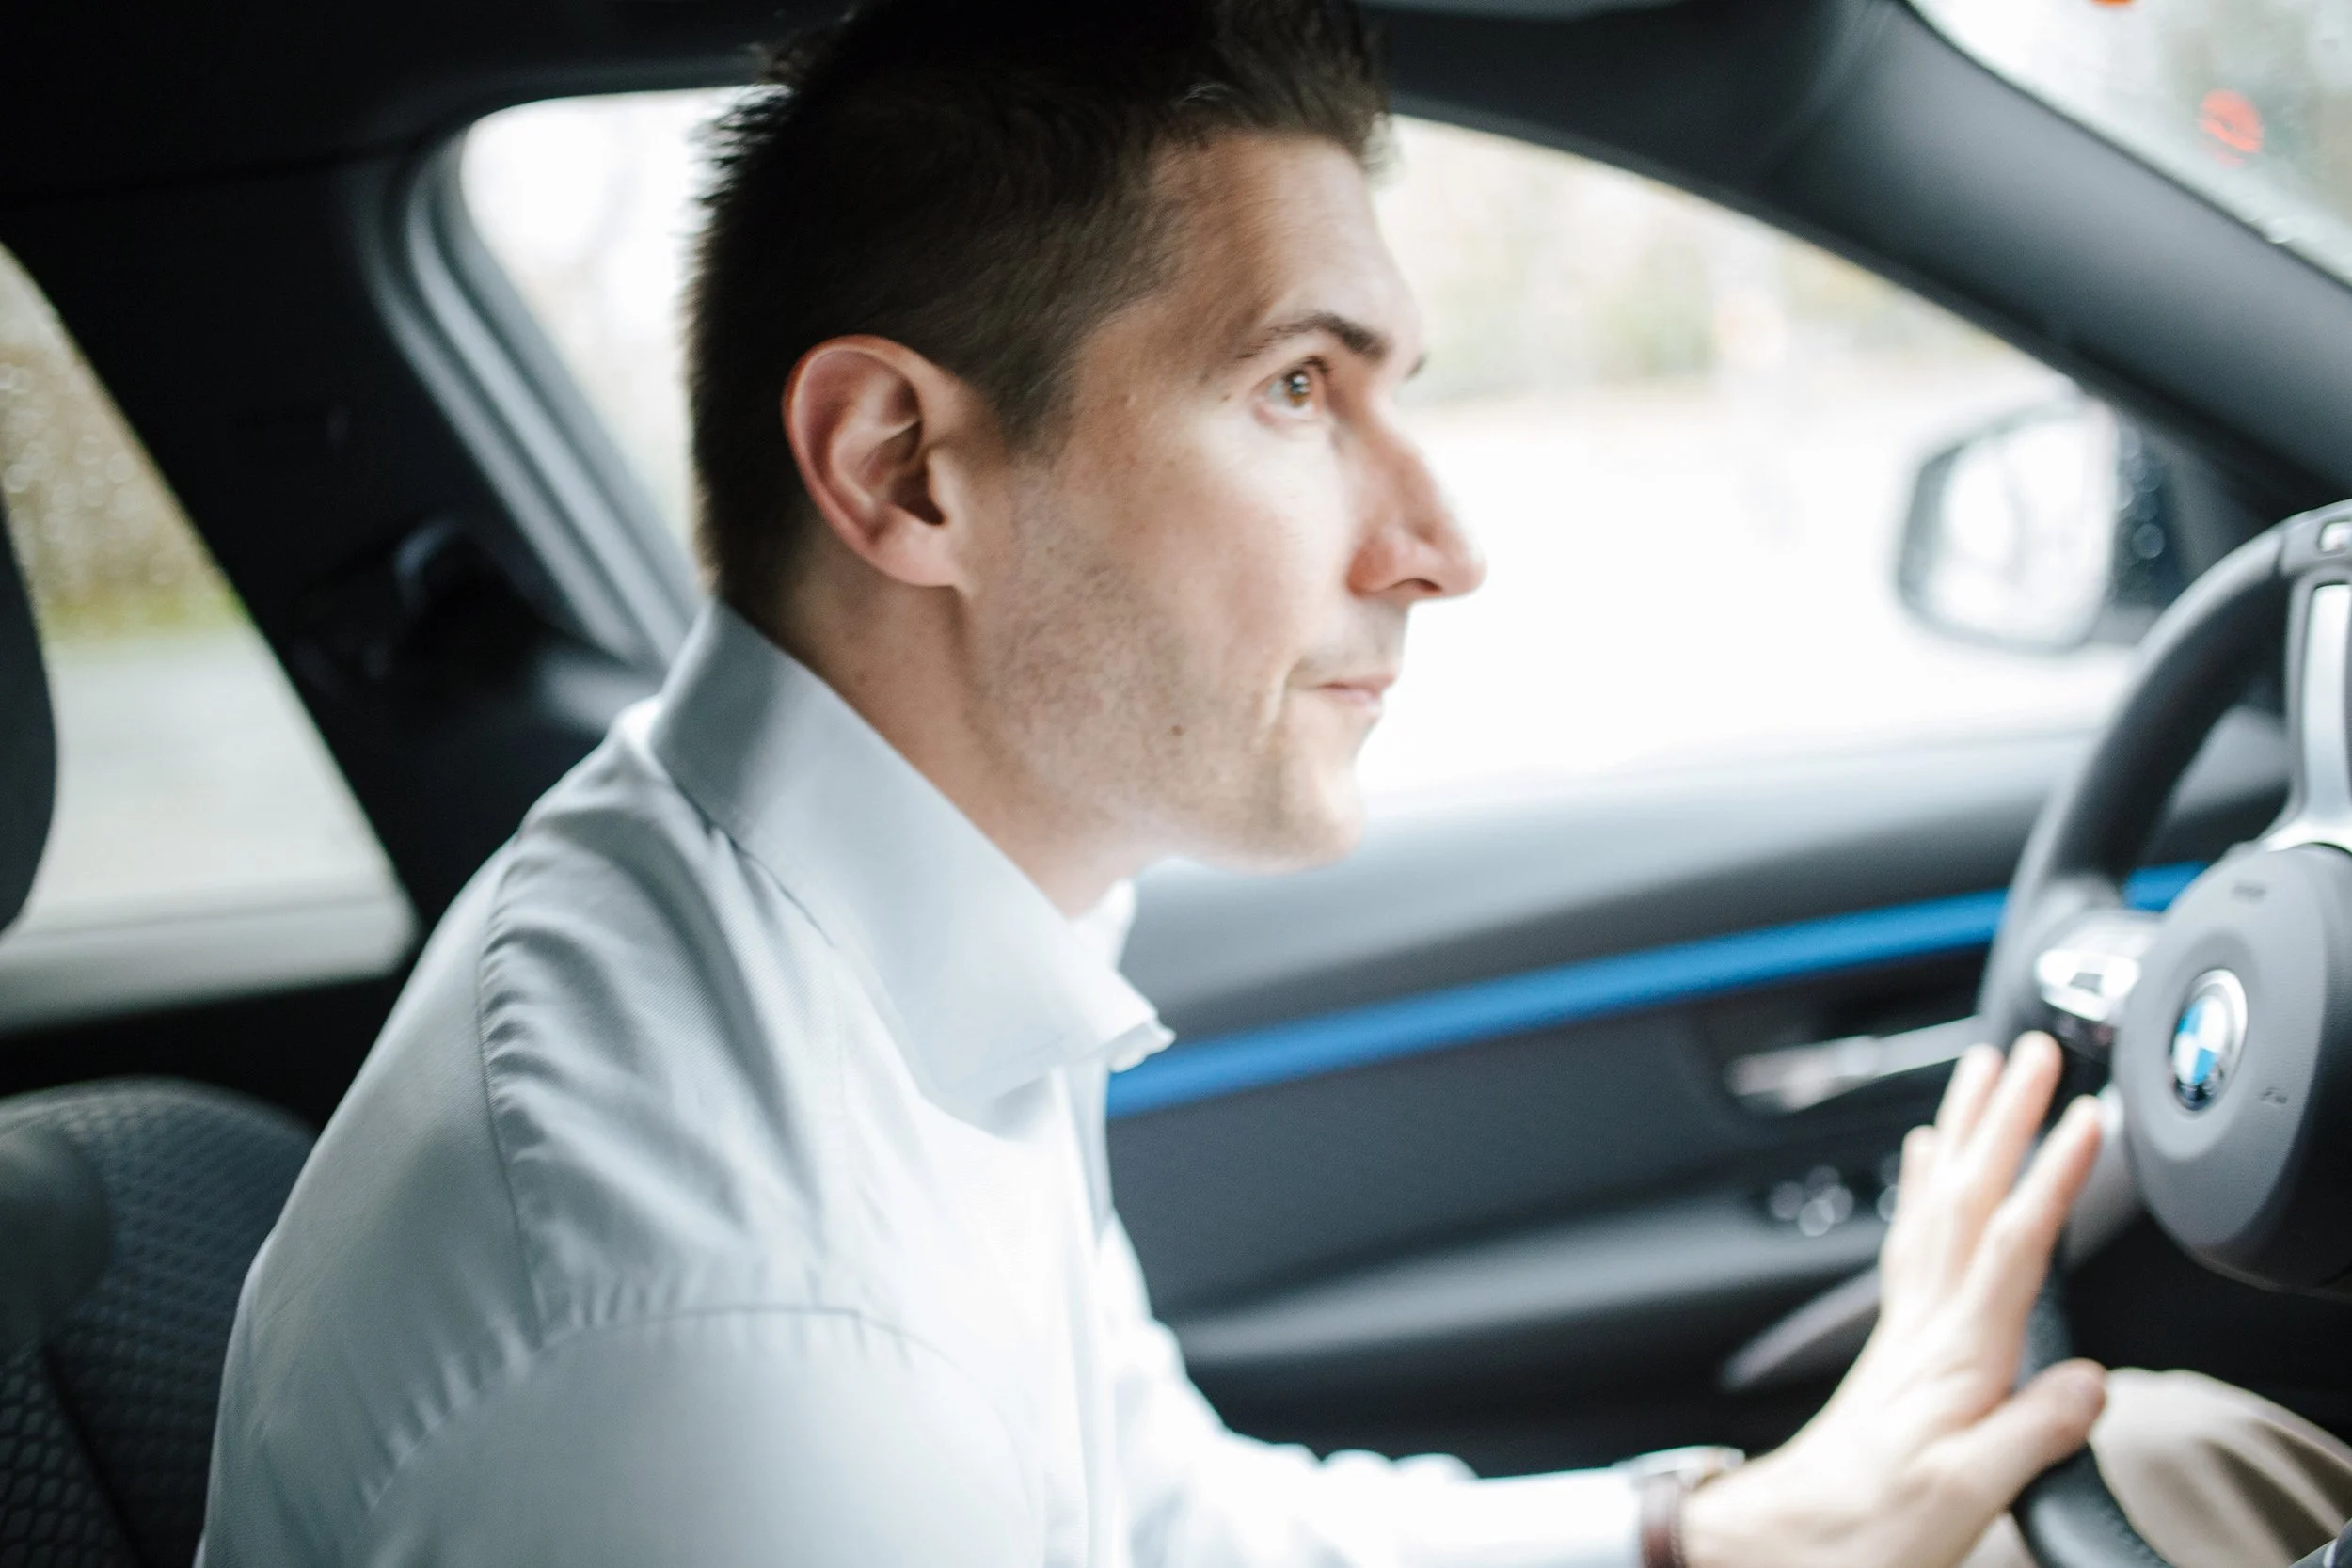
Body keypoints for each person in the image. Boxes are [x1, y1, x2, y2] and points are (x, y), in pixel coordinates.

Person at [198, 2, 2352, 1564]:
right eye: (1295, 386)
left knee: (2158, 1458)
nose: (1437, 542)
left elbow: (1152, 1518)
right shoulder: (724, 1353)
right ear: (902, 468)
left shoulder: (862, 943)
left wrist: (1713, 1528)